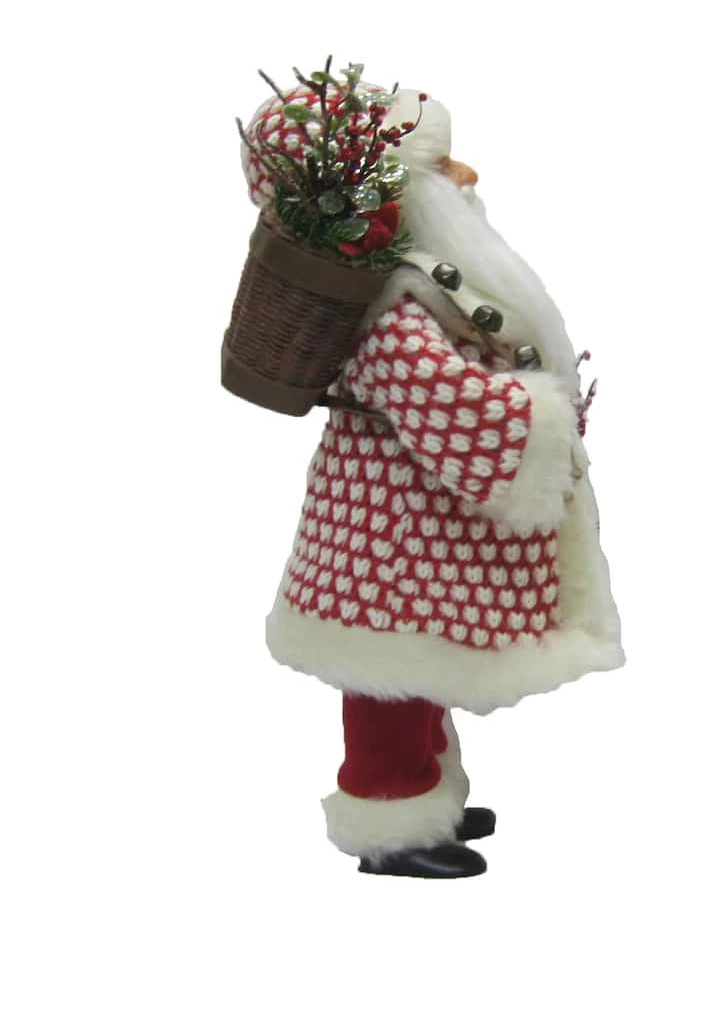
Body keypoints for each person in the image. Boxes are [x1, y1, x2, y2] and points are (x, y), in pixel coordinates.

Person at [244, 85, 625, 877]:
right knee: (389, 677)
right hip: (392, 522)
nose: (463, 176)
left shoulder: (418, 277)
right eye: (440, 167)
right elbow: (432, 391)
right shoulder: (390, 297)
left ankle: (424, 793)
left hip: (416, 514)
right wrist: (534, 419)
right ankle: (389, 820)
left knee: (421, 665)